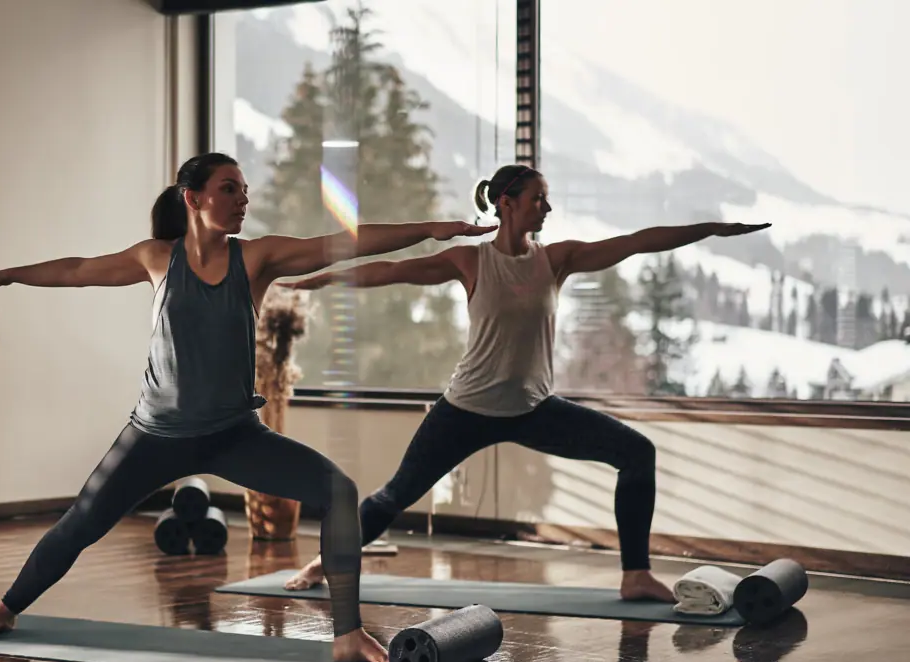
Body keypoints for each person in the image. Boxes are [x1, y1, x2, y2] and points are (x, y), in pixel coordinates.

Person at [0, 152, 495, 662]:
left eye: (245, 191)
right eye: (229, 189)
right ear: (192, 198)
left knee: (339, 492)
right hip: (154, 435)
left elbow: (344, 243)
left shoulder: (256, 258)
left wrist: (429, 228)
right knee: (81, 524)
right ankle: (7, 608)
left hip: (234, 435)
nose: (242, 200)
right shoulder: (155, 257)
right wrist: (9, 275)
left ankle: (347, 633)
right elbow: (77, 269)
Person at [280, 162, 770, 603]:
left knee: (637, 453)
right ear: (506, 203)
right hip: (465, 410)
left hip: (534, 409)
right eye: (539, 198)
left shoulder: (556, 260)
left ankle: (635, 574)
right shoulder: (470, 262)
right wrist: (319, 280)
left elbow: (637, 241)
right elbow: (390, 271)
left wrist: (711, 230)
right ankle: (324, 562)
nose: (548, 208)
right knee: (394, 497)